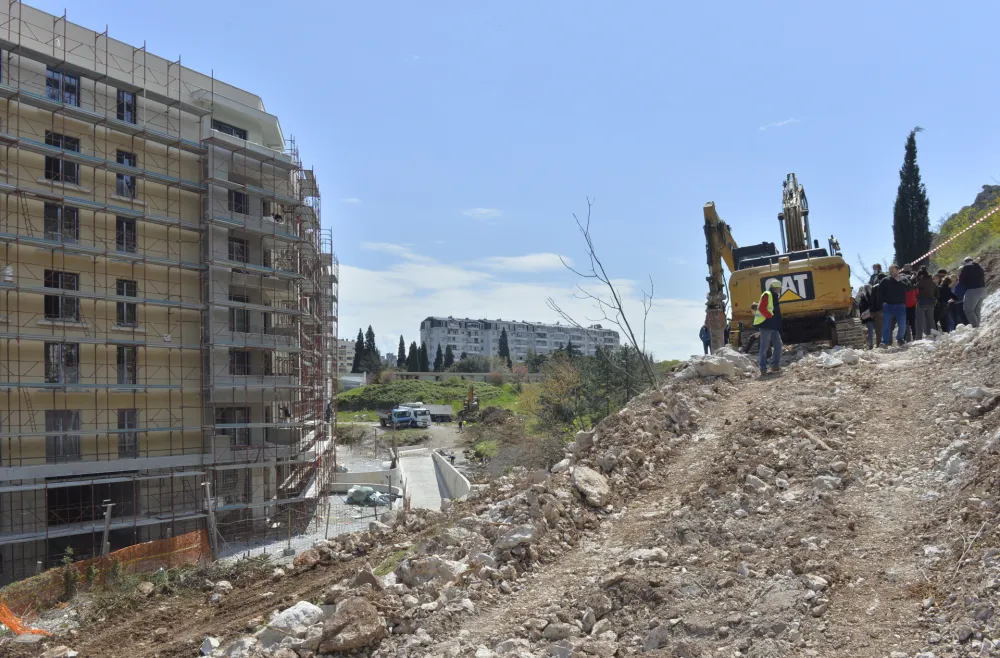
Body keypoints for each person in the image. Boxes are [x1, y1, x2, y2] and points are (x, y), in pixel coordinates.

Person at [753, 280, 783, 375]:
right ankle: (763, 368)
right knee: (764, 347)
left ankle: (774, 365)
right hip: (766, 324)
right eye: (779, 288)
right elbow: (761, 308)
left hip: (773, 325)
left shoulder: (774, 296)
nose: (780, 290)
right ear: (776, 288)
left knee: (778, 345)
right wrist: (769, 316)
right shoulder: (767, 294)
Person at [879, 265, 908, 347]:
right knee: (886, 324)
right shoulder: (885, 280)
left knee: (902, 324)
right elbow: (879, 293)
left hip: (900, 305)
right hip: (888, 306)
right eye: (891, 270)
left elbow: (908, 288)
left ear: (898, 270)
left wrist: (899, 281)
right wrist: (882, 303)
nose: (892, 272)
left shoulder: (903, 279)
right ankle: (885, 342)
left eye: (894, 270)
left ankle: (900, 339)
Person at [959, 256, 987, 327]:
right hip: (982, 290)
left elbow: (961, 280)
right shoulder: (979, 267)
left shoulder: (966, 268)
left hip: (972, 290)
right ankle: (978, 324)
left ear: (965, 262)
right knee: (977, 309)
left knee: (968, 309)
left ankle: (975, 325)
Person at [914, 267, 938, 339]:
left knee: (919, 321)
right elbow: (937, 294)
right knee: (931, 320)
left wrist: (913, 279)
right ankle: (935, 335)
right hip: (931, 303)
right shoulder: (933, 282)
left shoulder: (921, 282)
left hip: (921, 303)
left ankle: (919, 337)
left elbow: (911, 288)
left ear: (921, 275)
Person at [869, 265, 888, 341]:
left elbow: (872, 300)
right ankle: (888, 342)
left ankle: (879, 343)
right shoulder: (888, 286)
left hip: (878, 309)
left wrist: (872, 311)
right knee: (887, 327)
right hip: (888, 309)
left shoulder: (875, 287)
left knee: (879, 329)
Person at [856, 284, 877, 349]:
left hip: (867, 317)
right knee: (877, 330)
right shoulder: (873, 295)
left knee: (870, 331)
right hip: (874, 314)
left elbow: (860, 307)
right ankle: (877, 343)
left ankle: (871, 344)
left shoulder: (862, 297)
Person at [901, 265, 918, 342]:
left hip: (904, 305)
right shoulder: (913, 283)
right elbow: (917, 293)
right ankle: (914, 337)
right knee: (912, 322)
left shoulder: (901, 281)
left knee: (905, 322)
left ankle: (904, 338)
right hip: (912, 305)